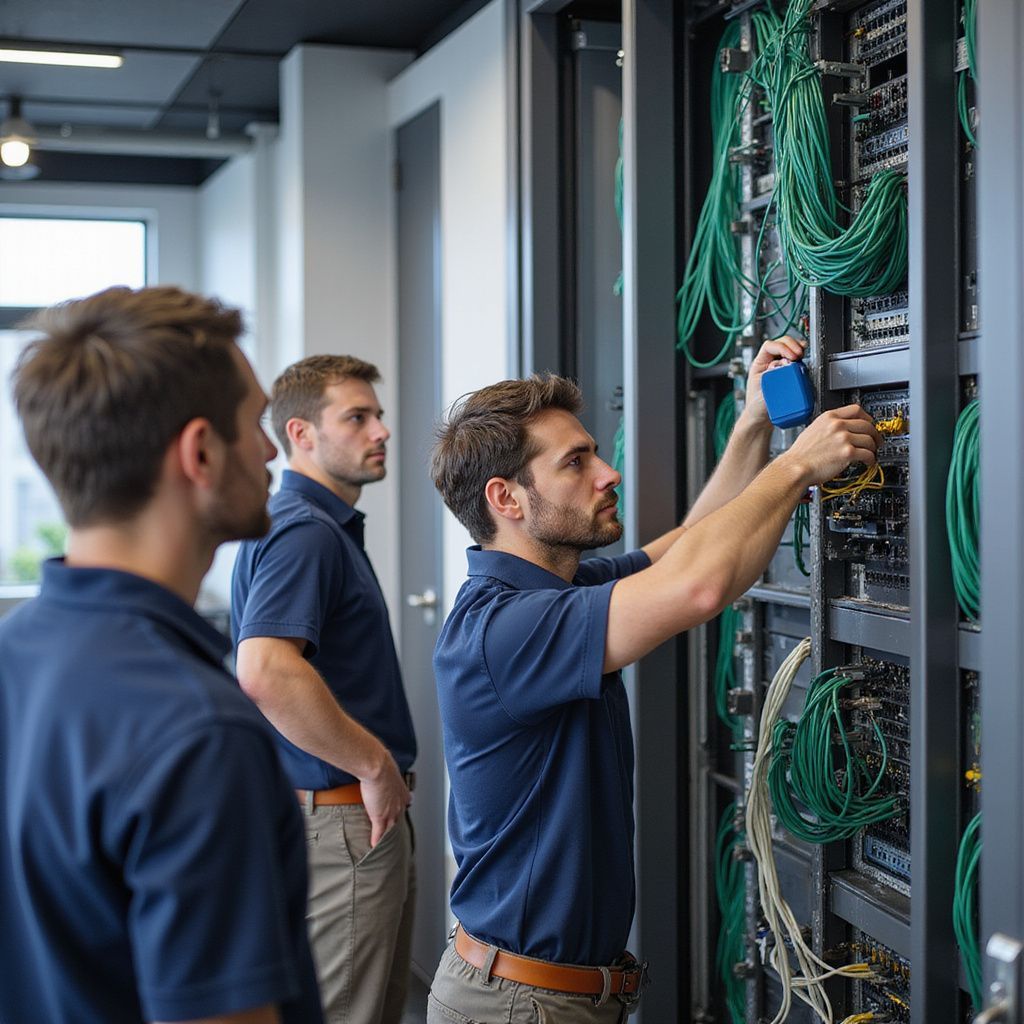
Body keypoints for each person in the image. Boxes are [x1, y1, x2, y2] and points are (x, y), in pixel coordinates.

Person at [426, 339, 882, 1023]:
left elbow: (695, 543)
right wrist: (797, 467)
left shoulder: (560, 589)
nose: (607, 473)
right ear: (506, 498)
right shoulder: (505, 630)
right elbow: (701, 587)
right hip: (521, 1005)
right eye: (575, 463)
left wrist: (755, 422)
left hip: (554, 993)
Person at [0, 286, 322, 1024]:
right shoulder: (198, 732)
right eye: (253, 425)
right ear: (201, 452)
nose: (271, 450)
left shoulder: (13, 653)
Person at [231, 355, 417, 1024]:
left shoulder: (305, 525)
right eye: (357, 417)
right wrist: (374, 764)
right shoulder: (306, 532)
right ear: (301, 436)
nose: (381, 431)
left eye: (379, 415)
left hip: (335, 818)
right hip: (341, 820)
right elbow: (265, 669)